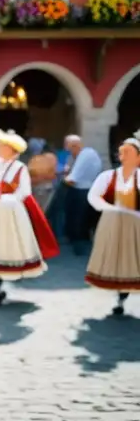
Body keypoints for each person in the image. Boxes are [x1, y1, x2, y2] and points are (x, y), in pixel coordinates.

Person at [0, 129, 59, 307]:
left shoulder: (20, 168)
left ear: (11, 149)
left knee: (9, 246)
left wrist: (10, 200)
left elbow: (24, 191)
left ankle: (4, 282)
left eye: (2, 146)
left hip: (11, 211)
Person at [84, 133, 140, 316]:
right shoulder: (107, 176)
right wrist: (111, 208)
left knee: (134, 258)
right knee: (115, 258)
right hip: (112, 223)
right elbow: (93, 196)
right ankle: (120, 296)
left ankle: (125, 292)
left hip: (136, 224)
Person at [59, 135, 102, 254]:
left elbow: (73, 178)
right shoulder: (85, 154)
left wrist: (57, 178)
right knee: (84, 219)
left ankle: (79, 246)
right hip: (86, 189)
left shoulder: (85, 155)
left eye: (70, 149)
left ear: (75, 145)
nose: (70, 153)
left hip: (82, 191)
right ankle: (81, 242)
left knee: (79, 219)